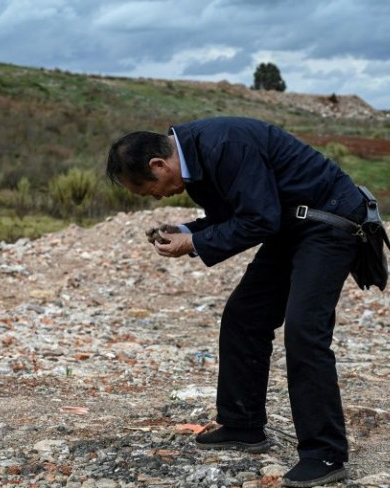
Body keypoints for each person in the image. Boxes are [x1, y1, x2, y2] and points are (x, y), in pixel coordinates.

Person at [106, 116, 367, 488]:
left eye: (151, 190)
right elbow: (238, 211)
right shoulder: (195, 158)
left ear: (158, 165)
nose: (158, 197)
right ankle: (243, 425)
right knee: (244, 316)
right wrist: (186, 230)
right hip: (288, 225)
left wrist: (194, 244)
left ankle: (325, 454)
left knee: (304, 330)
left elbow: (258, 217)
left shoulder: (224, 145)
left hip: (329, 221)